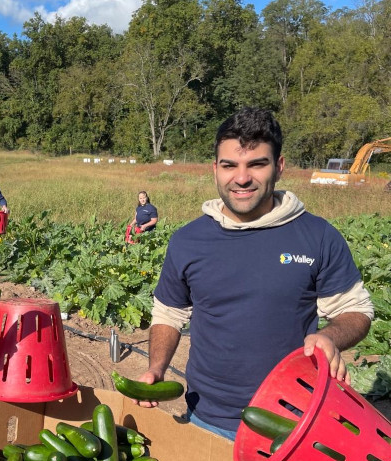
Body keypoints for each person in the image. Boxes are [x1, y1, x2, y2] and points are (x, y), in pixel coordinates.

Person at [134, 107, 373, 440]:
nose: (241, 178)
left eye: (256, 164)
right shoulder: (188, 240)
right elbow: (169, 313)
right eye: (230, 165)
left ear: (279, 166)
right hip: (206, 416)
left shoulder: (317, 236)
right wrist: (157, 367)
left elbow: (356, 310)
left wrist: (329, 337)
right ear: (215, 169)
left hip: (292, 423)